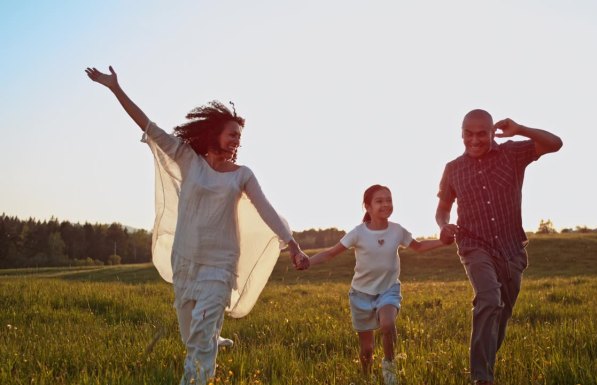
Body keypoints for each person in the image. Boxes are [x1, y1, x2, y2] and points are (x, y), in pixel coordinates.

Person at [86, 66, 308, 385]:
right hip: (186, 262)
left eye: (240, 137)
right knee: (191, 337)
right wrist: (115, 88)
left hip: (220, 266)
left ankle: (198, 368)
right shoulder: (187, 159)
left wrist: (293, 245)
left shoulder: (242, 174)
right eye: (232, 133)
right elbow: (147, 125)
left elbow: (267, 210)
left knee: (198, 345)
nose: (237, 141)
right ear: (214, 133)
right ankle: (212, 338)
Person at [435, 109, 563, 385]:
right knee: (489, 299)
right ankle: (481, 379)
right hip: (473, 245)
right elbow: (443, 209)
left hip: (511, 248)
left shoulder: (512, 154)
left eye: (482, 133)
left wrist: (521, 129)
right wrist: (443, 225)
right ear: (461, 133)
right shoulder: (453, 168)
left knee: (501, 315)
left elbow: (555, 143)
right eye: (468, 133)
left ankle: (485, 364)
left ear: (492, 131)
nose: (475, 139)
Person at [297, 184, 451, 385]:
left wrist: (444, 241)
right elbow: (331, 253)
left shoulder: (397, 230)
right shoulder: (358, 233)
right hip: (361, 295)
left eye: (389, 200)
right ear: (367, 207)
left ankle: (389, 368)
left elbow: (419, 247)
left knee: (387, 324)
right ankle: (366, 376)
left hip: (388, 290)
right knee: (367, 349)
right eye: (379, 201)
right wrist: (308, 261)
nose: (386, 204)